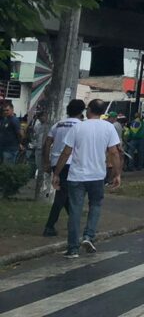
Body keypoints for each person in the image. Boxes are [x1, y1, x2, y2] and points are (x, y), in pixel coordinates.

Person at [52, 99, 121, 258]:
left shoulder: (78, 127)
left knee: (75, 209)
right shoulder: (109, 128)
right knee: (95, 205)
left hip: (77, 175)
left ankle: (73, 248)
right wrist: (116, 174)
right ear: (103, 112)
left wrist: (57, 173)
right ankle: (89, 236)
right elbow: (114, 152)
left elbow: (66, 152)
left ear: (89, 110)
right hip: (97, 175)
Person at [42, 99, 86, 237]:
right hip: (72, 162)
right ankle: (49, 226)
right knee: (62, 195)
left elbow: (47, 143)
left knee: (65, 194)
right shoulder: (82, 126)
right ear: (81, 111)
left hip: (56, 163)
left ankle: (74, 222)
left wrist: (47, 162)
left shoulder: (57, 125)